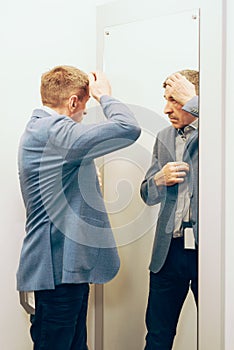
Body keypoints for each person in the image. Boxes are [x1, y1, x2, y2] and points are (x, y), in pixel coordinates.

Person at [16, 65, 141, 349]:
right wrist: (105, 96)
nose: (82, 118)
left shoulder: (43, 130)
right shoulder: (53, 131)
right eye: (84, 110)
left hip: (67, 270)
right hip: (56, 272)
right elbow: (128, 128)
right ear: (73, 101)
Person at [140, 69, 199, 350]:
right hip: (168, 253)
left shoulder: (220, 131)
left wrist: (198, 104)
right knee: (158, 336)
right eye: (166, 99)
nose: (166, 109)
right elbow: (146, 195)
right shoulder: (164, 136)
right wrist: (158, 180)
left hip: (209, 254)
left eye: (175, 100)